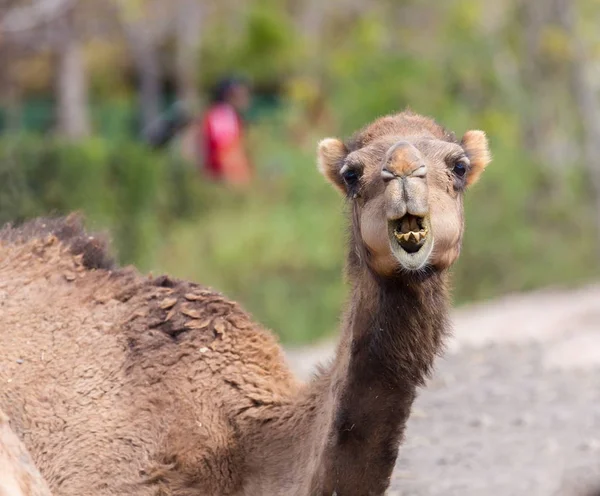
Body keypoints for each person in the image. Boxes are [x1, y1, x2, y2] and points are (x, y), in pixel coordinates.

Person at [198, 77, 253, 186]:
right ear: (229, 96)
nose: (246, 98)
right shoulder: (222, 115)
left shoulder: (228, 115)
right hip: (223, 181)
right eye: (241, 94)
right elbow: (226, 153)